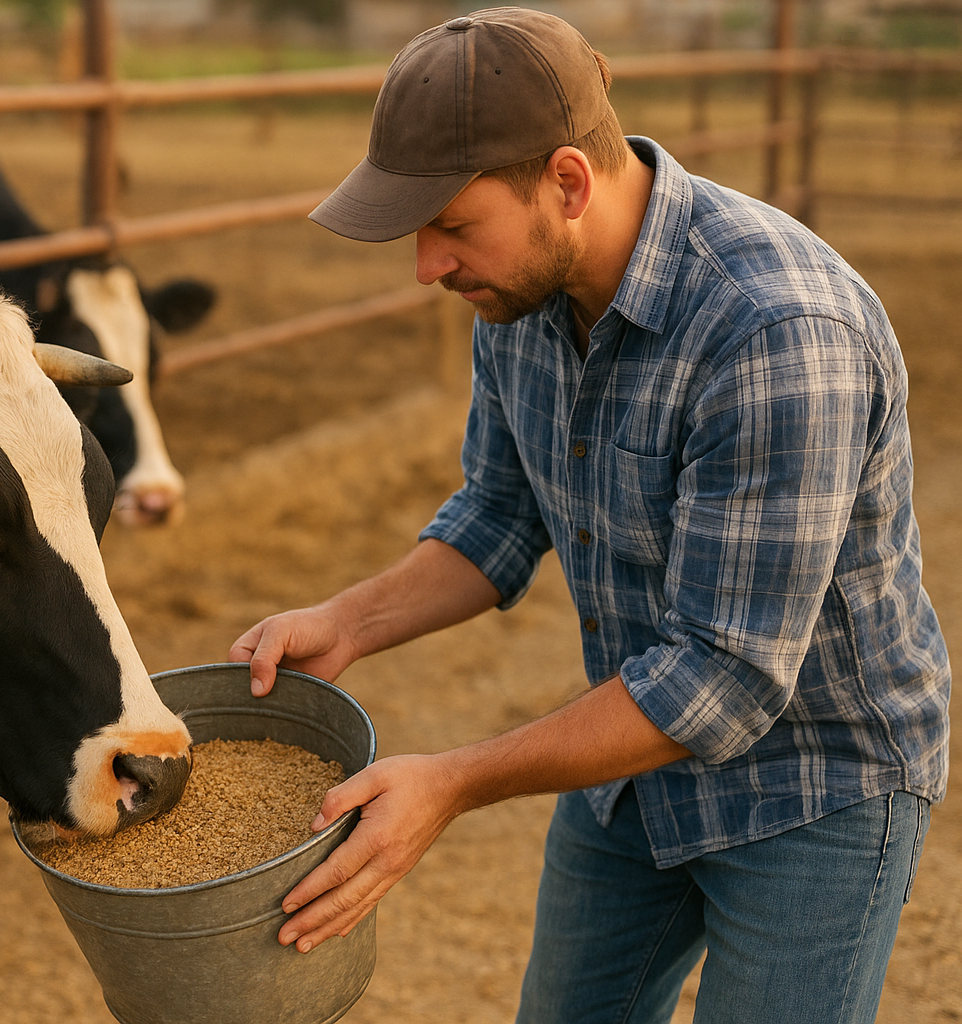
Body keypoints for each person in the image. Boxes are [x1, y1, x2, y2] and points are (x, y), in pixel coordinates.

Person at [228, 8, 950, 1023]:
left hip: (814, 781)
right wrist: (350, 621)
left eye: (451, 225)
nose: (426, 267)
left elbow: (725, 678)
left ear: (568, 183)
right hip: (631, 762)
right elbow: (498, 515)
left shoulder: (778, 330)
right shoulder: (519, 297)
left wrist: (457, 779)